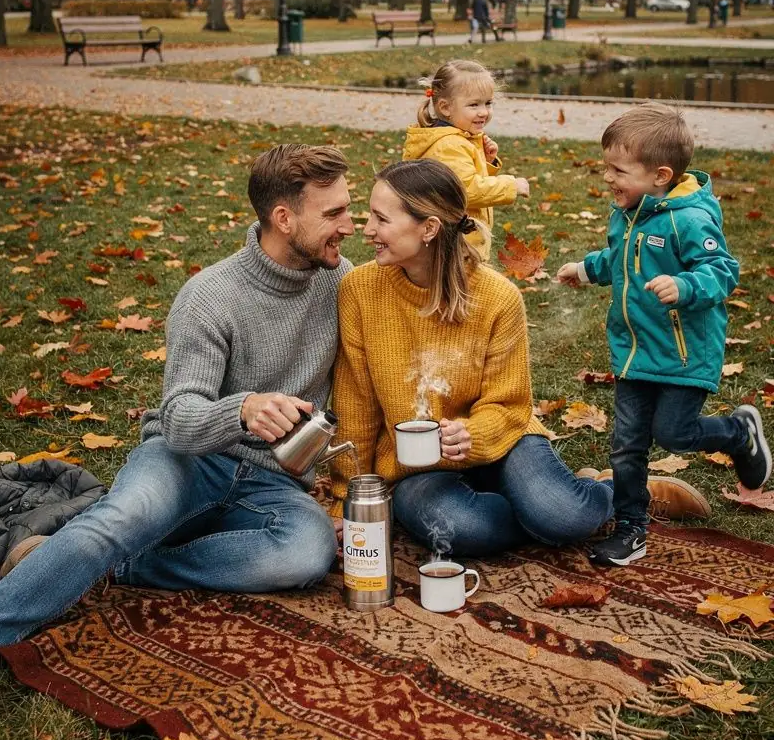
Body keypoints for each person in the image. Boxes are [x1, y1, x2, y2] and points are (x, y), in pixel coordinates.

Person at [0, 144, 355, 686]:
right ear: (284, 218)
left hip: (272, 479)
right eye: (334, 213)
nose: (349, 225)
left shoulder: (342, 283)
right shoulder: (210, 296)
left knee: (307, 554)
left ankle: (122, 567)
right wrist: (241, 408)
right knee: (120, 519)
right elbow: (181, 417)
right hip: (187, 458)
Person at [330, 159, 705, 557]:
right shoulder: (360, 289)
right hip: (419, 468)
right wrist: (346, 501)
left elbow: (509, 405)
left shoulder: (496, 297)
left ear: (428, 228)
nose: (366, 229)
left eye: (380, 219)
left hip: (504, 441)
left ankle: (621, 491)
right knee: (456, 528)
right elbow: (357, 404)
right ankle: (543, 504)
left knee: (565, 517)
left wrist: (472, 435)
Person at [558, 104, 771, 568]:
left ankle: (739, 433)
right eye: (606, 166)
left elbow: (722, 271)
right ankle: (631, 528)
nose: (607, 177)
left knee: (674, 434)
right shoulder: (629, 211)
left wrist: (686, 285)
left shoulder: (689, 219)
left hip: (682, 354)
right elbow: (620, 258)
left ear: (661, 175)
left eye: (618, 169)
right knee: (627, 445)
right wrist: (584, 268)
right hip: (635, 354)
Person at [402, 59, 529, 261]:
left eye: (488, 103)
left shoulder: (457, 138)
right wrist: (510, 186)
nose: (484, 112)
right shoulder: (449, 145)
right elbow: (465, 189)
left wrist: (486, 161)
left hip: (461, 239)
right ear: (445, 107)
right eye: (474, 105)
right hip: (455, 244)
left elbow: (463, 176)